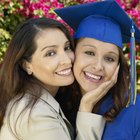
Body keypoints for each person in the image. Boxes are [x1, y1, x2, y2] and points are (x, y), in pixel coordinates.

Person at [0, 17, 105, 140]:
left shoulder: (36, 100)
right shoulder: (35, 115)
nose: (67, 60)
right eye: (50, 53)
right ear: (27, 65)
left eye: (67, 48)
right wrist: (86, 107)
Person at [55, 0, 140, 139]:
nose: (98, 66)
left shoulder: (135, 112)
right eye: (89, 53)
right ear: (72, 53)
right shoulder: (53, 107)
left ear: (118, 66)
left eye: (109, 58)